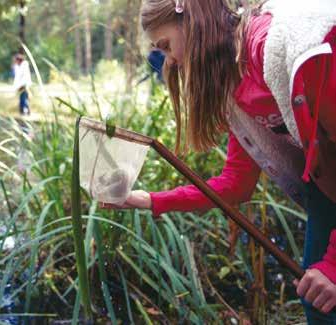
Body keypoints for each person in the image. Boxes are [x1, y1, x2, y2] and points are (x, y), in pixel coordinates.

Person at [105, 0, 336, 322]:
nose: (170, 61)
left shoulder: (274, 47)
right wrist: (148, 200)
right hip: (327, 191)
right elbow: (236, 184)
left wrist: (333, 265)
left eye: (166, 46)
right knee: (319, 302)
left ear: (193, 21)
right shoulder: (237, 85)